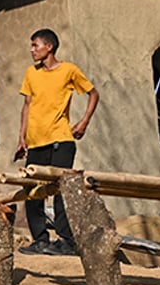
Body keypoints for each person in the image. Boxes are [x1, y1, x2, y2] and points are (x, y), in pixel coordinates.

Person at [16, 28, 99, 256]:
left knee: (63, 189)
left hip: (61, 139)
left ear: (49, 47)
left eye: (36, 45)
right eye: (32, 46)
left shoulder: (69, 70)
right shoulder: (30, 73)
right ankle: (40, 240)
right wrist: (21, 138)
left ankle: (66, 240)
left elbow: (93, 94)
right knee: (32, 191)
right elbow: (27, 106)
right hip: (35, 142)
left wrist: (84, 122)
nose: (32, 50)